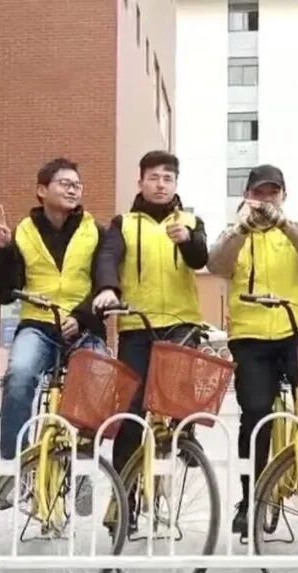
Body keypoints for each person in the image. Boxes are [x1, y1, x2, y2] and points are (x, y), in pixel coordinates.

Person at [207, 164, 298, 537]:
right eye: (259, 193)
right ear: (247, 196)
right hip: (250, 337)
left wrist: (283, 222)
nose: (265, 200)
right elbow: (216, 264)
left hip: (294, 330)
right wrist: (242, 228)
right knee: (255, 416)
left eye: (272, 193)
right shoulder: (234, 233)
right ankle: (250, 500)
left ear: (283, 196)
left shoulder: (294, 230)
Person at [91, 151, 209, 474]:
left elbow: (200, 259)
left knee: (181, 387)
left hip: (181, 321)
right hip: (136, 325)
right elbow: (108, 256)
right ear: (140, 182)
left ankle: (185, 433)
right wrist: (108, 289)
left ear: (176, 184)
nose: (160, 185)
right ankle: (124, 492)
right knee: (131, 409)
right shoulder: (123, 224)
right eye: (154, 178)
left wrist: (188, 240)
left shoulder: (190, 222)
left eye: (167, 179)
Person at [0, 158, 113, 461]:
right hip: (37, 326)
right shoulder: (22, 232)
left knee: (97, 380)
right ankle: (14, 466)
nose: (73, 190)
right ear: (42, 190)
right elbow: (2, 293)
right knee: (19, 376)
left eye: (77, 185)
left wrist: (81, 317)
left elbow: (105, 284)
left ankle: (81, 466)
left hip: (84, 328)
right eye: (65, 184)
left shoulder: (95, 231)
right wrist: (3, 252)